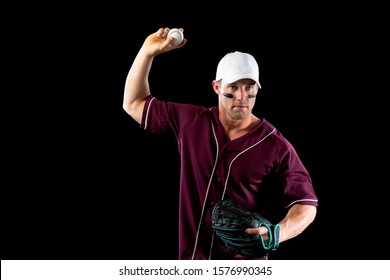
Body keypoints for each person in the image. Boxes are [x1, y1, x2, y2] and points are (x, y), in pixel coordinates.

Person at [122, 27, 318, 260]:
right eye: (233, 88)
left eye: (249, 87)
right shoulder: (191, 121)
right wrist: (147, 52)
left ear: (258, 88)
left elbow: (306, 204)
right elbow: (133, 103)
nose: (241, 97)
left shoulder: (275, 144)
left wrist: (278, 233)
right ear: (217, 87)